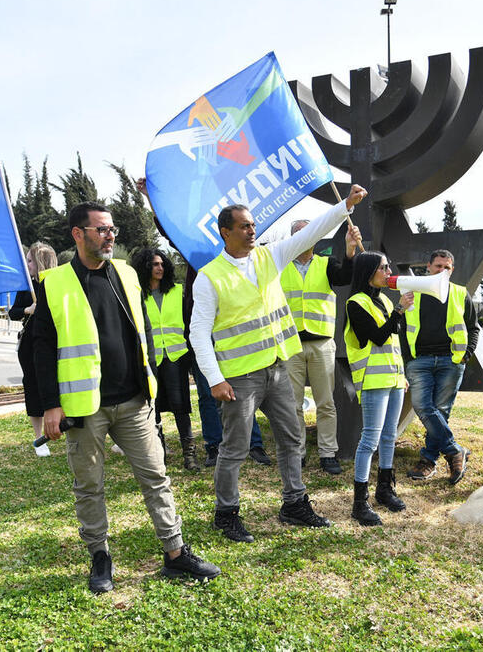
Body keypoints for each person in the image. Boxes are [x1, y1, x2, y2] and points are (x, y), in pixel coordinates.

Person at [34, 201, 219, 593]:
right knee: (90, 486)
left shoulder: (126, 273)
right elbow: (41, 350)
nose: (110, 235)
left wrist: (150, 380)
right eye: (101, 229)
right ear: (78, 234)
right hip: (85, 409)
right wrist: (50, 405)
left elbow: (144, 329)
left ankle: (175, 552)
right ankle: (100, 557)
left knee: (156, 477)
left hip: (135, 401)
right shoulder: (54, 283)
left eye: (112, 228)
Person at [192, 185, 367, 542]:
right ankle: (226, 514)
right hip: (239, 378)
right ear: (225, 232)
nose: (251, 230)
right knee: (235, 449)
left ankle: (294, 503)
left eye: (253, 225)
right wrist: (214, 379)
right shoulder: (210, 277)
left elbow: (313, 230)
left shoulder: (268, 257)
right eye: (243, 226)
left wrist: (343, 206)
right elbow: (198, 334)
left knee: (292, 438)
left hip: (277, 369)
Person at [134, 177, 270, 469]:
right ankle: (213, 446)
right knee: (210, 393)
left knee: (244, 390)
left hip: (234, 333)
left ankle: (254, 445)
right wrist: (150, 198)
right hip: (202, 335)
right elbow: (168, 229)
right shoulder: (197, 255)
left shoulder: (246, 256)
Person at [280, 218, 360, 475]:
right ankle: (297, 453)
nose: (305, 237)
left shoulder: (327, 263)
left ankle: (328, 453)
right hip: (290, 344)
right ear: (291, 239)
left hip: (322, 343)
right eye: (299, 234)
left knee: (325, 402)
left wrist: (349, 250)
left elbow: (345, 276)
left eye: (309, 233)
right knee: (292, 404)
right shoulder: (279, 267)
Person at [344, 251, 412, 525]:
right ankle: (359, 502)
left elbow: (395, 340)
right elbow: (379, 337)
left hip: (394, 380)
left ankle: (384, 488)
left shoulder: (383, 299)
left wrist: (402, 374)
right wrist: (399, 310)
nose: (389, 271)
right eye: (384, 267)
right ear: (369, 271)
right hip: (373, 381)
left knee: (388, 437)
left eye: (388, 265)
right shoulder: (355, 303)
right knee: (369, 440)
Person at [404, 249, 478, 485]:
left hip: (451, 360)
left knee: (441, 410)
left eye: (447, 267)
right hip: (420, 360)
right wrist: (408, 359)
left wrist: (466, 355)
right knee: (423, 407)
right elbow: (401, 325)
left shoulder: (460, 293)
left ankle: (428, 460)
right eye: (438, 266)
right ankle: (455, 450)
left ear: (452, 269)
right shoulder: (413, 292)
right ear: (428, 267)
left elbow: (473, 327)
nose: (442, 271)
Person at [131, 248, 199, 471]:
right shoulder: (138, 295)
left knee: (181, 407)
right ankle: (159, 454)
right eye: (154, 264)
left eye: (162, 264)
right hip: (151, 359)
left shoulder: (177, 291)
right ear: (144, 268)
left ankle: (189, 455)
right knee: (154, 407)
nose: (159, 268)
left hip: (176, 357)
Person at [8, 242, 58, 457]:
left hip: (56, 343)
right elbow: (13, 312)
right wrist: (29, 309)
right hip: (29, 344)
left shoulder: (57, 284)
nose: (27, 264)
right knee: (33, 387)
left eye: (30, 260)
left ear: (40, 262)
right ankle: (39, 437)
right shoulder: (26, 287)